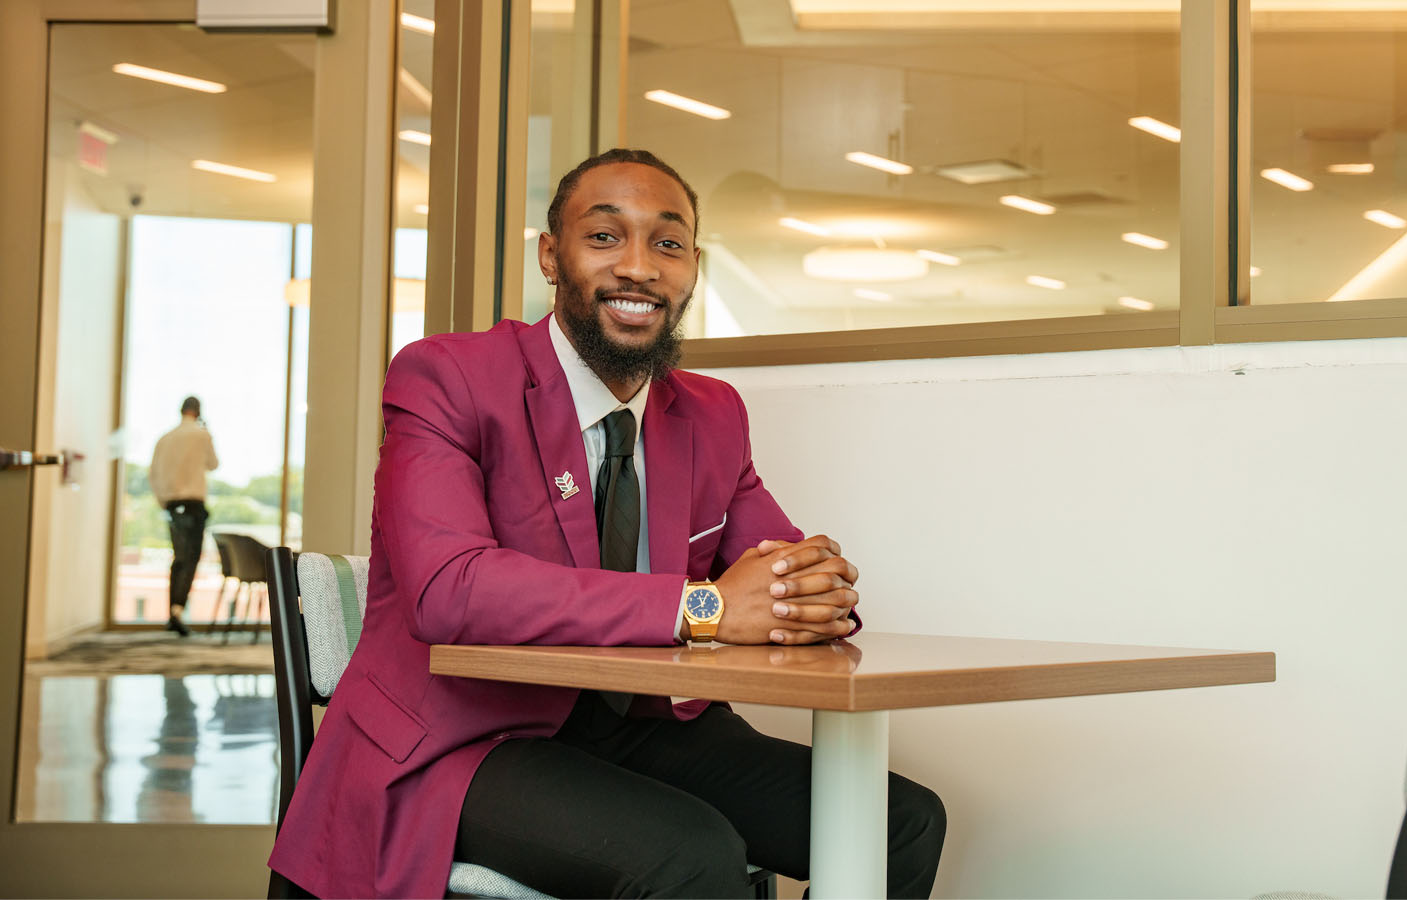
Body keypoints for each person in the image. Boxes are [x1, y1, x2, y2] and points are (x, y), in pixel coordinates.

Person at [268, 148, 945, 899]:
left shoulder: (712, 413)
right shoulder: (447, 377)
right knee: (690, 853)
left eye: (667, 243)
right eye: (604, 237)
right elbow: (450, 590)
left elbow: (778, 569)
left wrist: (816, 590)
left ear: (693, 267)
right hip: (467, 738)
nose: (639, 267)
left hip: (640, 726)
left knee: (901, 821)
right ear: (551, 257)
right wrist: (708, 606)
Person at [147, 396, 218, 638]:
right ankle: (177, 612)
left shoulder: (164, 439)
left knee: (179, 558)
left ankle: (173, 611)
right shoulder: (201, 435)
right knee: (191, 557)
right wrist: (207, 431)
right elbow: (213, 464)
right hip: (193, 504)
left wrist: (163, 502)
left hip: (171, 504)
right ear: (198, 412)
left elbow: (153, 474)